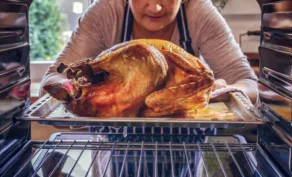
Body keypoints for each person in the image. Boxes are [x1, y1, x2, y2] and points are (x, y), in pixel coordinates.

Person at [39, 0, 258, 175]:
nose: (155, 6)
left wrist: (215, 92)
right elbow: (52, 80)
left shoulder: (197, 12)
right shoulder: (107, 11)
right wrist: (71, 91)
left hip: (183, 161)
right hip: (111, 162)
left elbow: (247, 84)